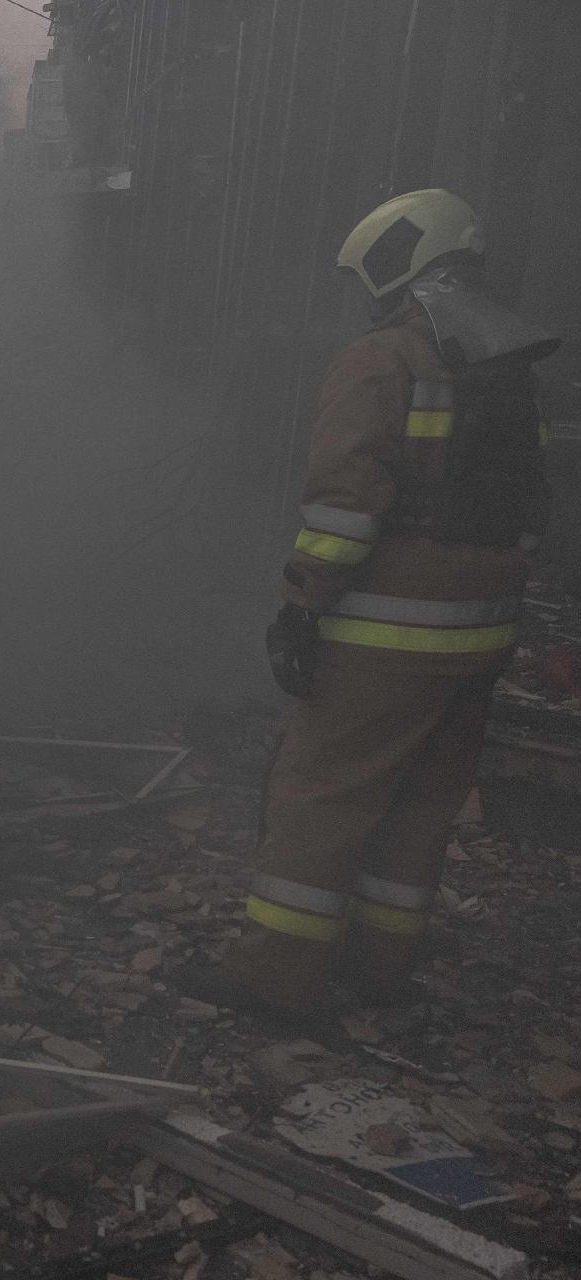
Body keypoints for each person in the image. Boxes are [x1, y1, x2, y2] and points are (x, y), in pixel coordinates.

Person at [188, 189, 560, 1019]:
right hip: (482, 633)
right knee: (424, 800)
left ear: (401, 262)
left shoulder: (383, 359)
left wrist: (301, 606)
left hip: (386, 633)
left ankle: (275, 975)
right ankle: (381, 964)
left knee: (322, 794)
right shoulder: (510, 370)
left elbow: (343, 510)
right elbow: (530, 511)